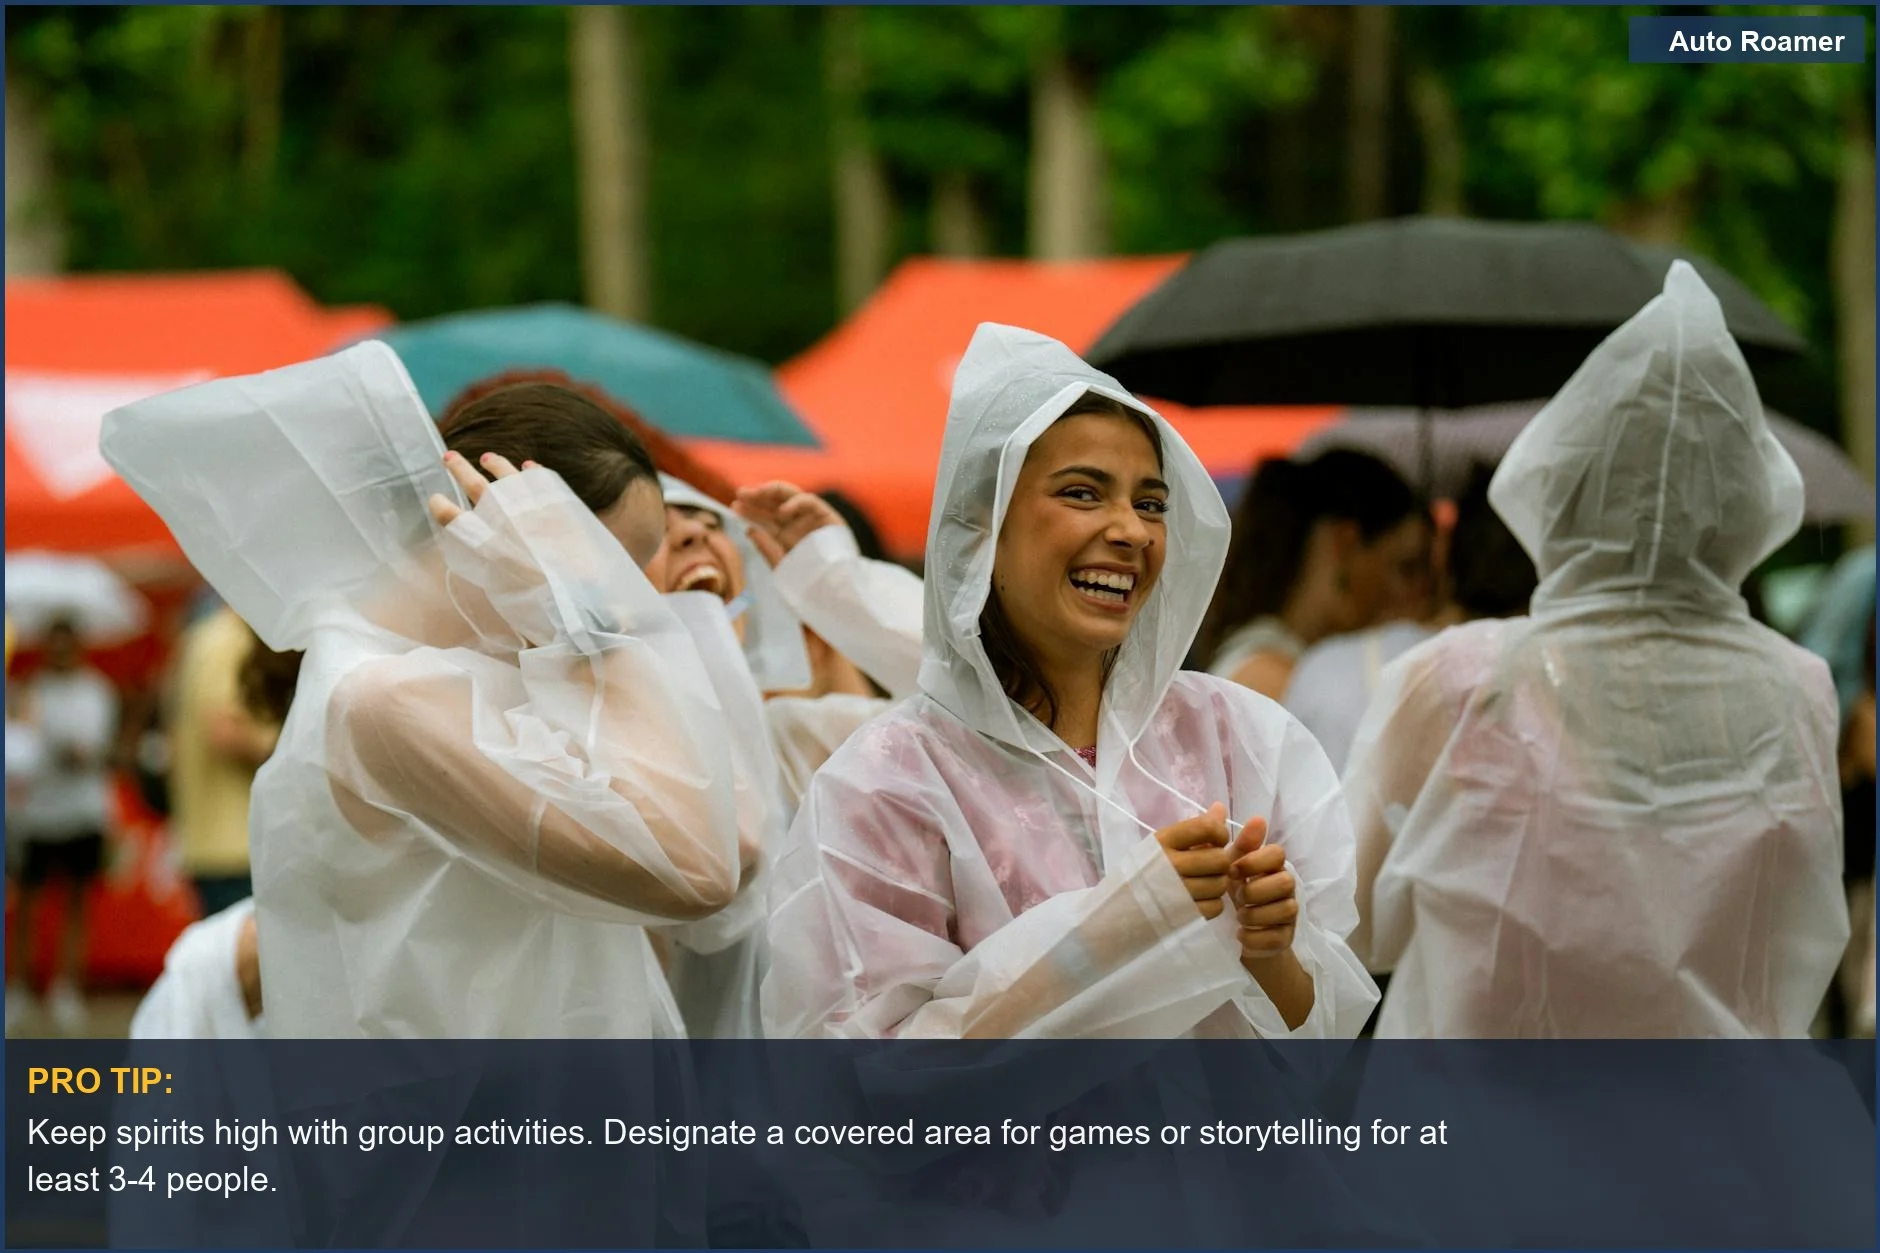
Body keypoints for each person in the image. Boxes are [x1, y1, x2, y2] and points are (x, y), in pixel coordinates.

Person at [102, 344, 746, 1038]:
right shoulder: (384, 697)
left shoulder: (483, 669)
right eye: (605, 570)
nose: (626, 602)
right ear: (508, 530)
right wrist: (594, 632)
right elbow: (697, 870)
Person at [763, 323, 1377, 1040]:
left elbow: (1325, 1041)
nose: (1130, 531)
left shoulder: (1241, 738)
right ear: (978, 530)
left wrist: (1271, 950)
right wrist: (1118, 925)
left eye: (1150, 503)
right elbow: (867, 1085)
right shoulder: (890, 783)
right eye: (1084, 493)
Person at [1343, 262, 1847, 1037]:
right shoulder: (1799, 687)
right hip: (1733, 1137)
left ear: (1561, 483)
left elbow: (1348, 925)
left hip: (1481, 1137)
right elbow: (1798, 930)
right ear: (1745, 499)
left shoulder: (1460, 678)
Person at [1283, 465, 1537, 775]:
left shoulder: (1324, 668)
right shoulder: (1544, 691)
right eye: (1408, 569)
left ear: (1445, 560)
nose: (1413, 591)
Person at [1196, 450, 1430, 700]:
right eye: (1406, 568)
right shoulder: (1275, 679)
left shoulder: (1283, 664)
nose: (1418, 593)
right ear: (1345, 543)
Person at [6, 617, 119, 1036]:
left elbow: (98, 749)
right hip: (35, 814)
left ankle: (66, 987)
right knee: (27, 904)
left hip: (83, 810)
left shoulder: (96, 690)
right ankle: (17, 988)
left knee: (76, 901)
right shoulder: (26, 690)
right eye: (53, 644)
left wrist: (73, 749)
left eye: (66, 644)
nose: (60, 652)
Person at [166, 605, 279, 918]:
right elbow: (224, 730)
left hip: (218, 845)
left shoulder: (205, 636)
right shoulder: (228, 641)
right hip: (236, 846)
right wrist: (294, 750)